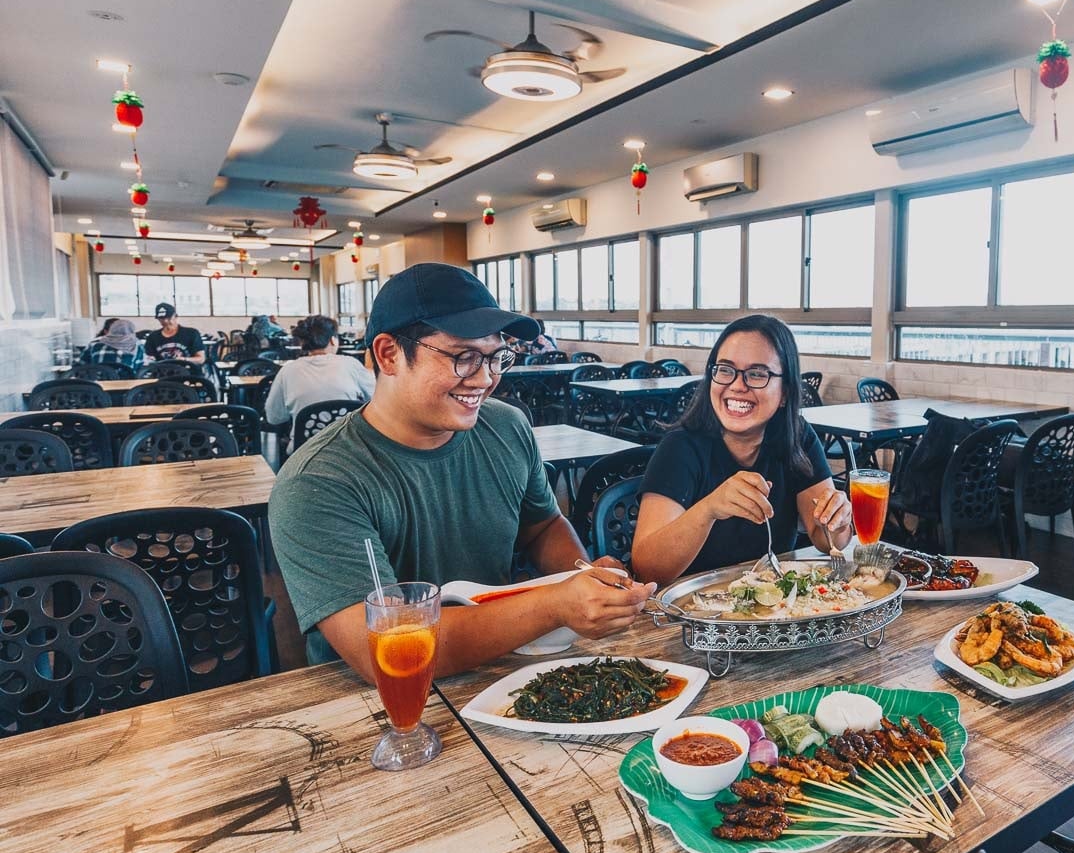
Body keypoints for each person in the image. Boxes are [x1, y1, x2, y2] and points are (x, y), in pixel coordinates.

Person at [268, 262, 654, 680]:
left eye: (496, 357)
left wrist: (584, 578)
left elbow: (542, 525)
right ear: (389, 354)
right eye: (464, 357)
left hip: (501, 667)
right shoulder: (319, 481)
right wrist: (555, 604)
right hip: (376, 699)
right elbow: (387, 650)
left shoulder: (506, 426)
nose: (485, 379)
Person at [631, 315, 853, 584]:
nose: (737, 385)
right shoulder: (680, 447)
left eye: (757, 374)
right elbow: (647, 570)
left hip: (776, 602)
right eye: (726, 370)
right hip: (692, 603)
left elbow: (826, 540)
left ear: (784, 393)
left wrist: (838, 522)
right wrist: (709, 508)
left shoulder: (796, 437)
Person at [263, 315, 376, 439]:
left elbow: (274, 417)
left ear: (302, 342)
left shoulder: (287, 370)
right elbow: (375, 398)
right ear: (333, 340)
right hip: (349, 445)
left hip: (305, 448)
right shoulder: (351, 364)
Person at [78, 318, 146, 373]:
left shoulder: (94, 343)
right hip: (129, 384)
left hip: (99, 383)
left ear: (112, 329)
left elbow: (80, 364)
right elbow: (140, 367)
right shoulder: (138, 345)